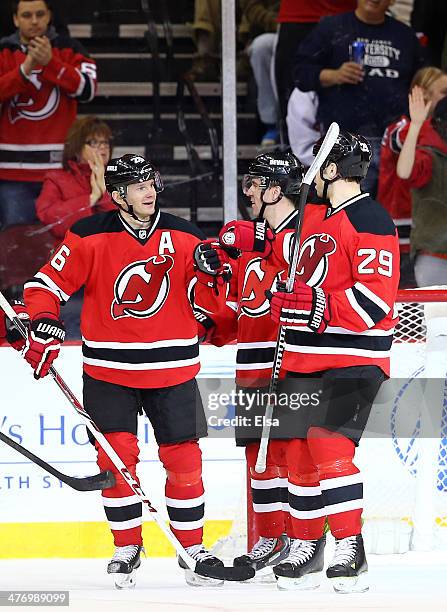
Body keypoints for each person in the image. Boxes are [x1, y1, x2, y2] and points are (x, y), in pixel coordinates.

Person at [21, 154, 229, 589]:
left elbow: (213, 304)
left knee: (185, 462)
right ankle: (126, 545)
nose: (149, 191)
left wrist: (216, 279)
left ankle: (192, 546)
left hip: (173, 371)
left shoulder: (186, 234)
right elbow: (43, 287)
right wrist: (41, 323)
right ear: (117, 196)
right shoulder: (89, 235)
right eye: (138, 186)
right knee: (116, 464)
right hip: (109, 374)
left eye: (151, 183)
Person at [265, 131, 399, 592]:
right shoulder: (316, 215)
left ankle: (350, 546)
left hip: (355, 359)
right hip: (305, 357)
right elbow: (290, 255)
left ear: (332, 170)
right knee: (299, 453)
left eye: (318, 166)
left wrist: (314, 303)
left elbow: (373, 304)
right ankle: (308, 547)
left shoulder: (371, 218)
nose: (311, 175)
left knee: (327, 443)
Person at [209, 152, 306, 577]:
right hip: (251, 363)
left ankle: (305, 540)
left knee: (294, 456)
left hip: (291, 363)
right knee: (259, 459)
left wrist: (261, 239)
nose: (247, 191)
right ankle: (271, 537)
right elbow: (235, 311)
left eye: (255, 183)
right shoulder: (248, 245)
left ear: (275, 189)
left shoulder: (305, 236)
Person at [294, 0, 426, 196]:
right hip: (346, 144)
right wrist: (334, 75)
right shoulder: (331, 28)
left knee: (391, 219)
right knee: (348, 214)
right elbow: (299, 74)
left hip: (396, 143)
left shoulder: (405, 35)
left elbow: (425, 80)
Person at [0, 0, 97, 229]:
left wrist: (51, 64)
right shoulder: (3, 52)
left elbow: (89, 90)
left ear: (49, 16)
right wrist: (24, 70)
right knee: (18, 247)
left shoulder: (70, 49)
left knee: (61, 245)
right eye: (26, 15)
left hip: (60, 171)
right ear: (15, 19)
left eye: (40, 14)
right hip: (12, 174)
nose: (34, 21)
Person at [378, 66, 447, 286]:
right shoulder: (404, 129)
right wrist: (419, 122)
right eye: (444, 92)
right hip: (402, 229)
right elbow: (404, 166)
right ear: (422, 93)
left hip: (429, 230)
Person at [36, 115, 115, 240]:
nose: (103, 146)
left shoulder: (120, 177)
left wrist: (104, 193)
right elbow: (51, 221)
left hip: (109, 253)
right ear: (77, 147)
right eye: (94, 142)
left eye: (105, 142)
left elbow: (127, 223)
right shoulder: (56, 179)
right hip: (70, 253)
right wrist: (92, 198)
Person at [396, 93, 447, 285]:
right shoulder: (429, 157)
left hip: (433, 253)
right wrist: (415, 125)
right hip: (434, 255)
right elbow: (404, 171)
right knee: (435, 313)